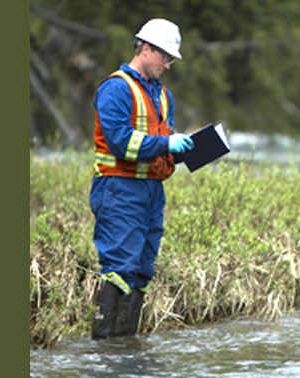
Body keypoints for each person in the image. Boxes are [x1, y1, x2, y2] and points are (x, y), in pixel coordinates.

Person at [89, 18, 194, 339]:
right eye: (165, 57)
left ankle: (125, 347)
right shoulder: (115, 88)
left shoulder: (164, 96)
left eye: (172, 59)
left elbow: (161, 144)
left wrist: (189, 148)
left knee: (142, 268)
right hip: (119, 189)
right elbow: (122, 142)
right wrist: (166, 143)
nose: (168, 64)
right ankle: (104, 350)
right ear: (145, 49)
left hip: (151, 191)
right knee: (119, 266)